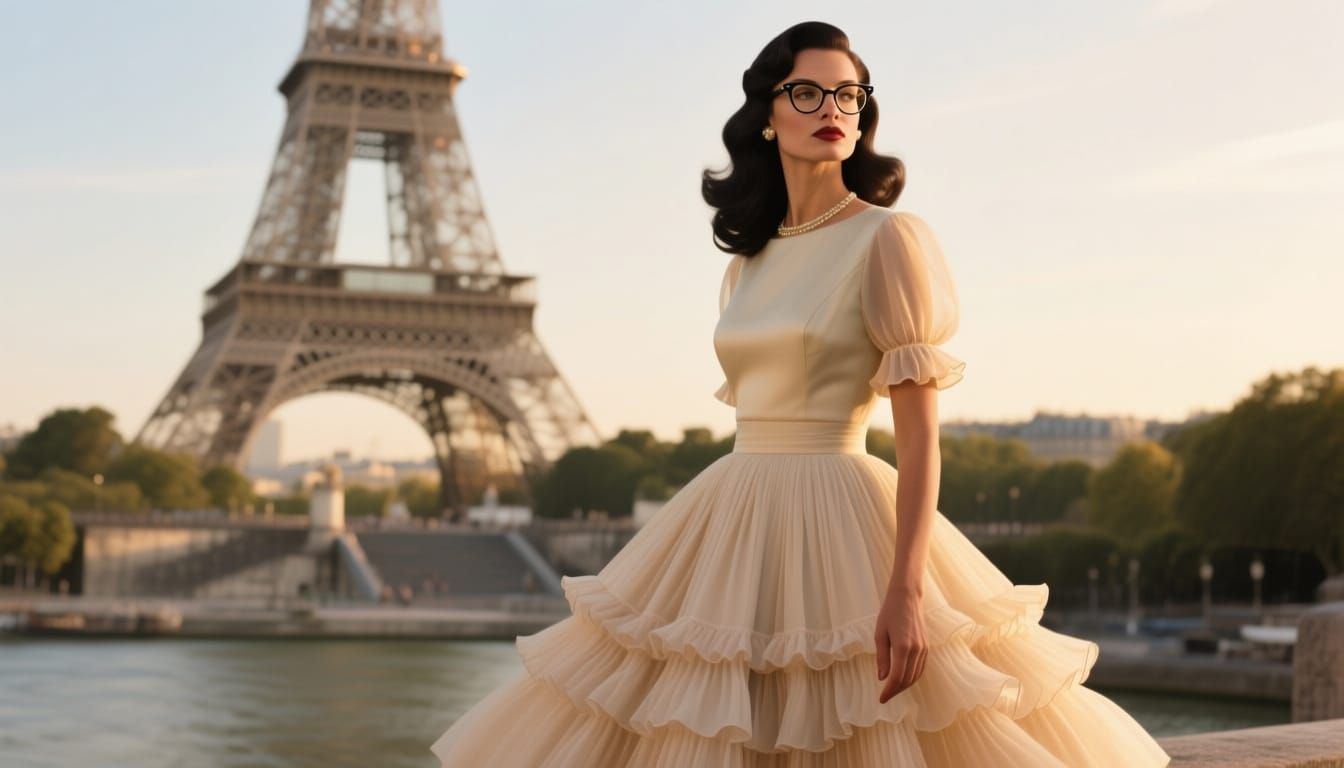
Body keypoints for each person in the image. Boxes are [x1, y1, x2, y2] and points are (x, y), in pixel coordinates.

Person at [430, 20, 1172, 767]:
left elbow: (920, 439)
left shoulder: (888, 238)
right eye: (809, 92)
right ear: (768, 112)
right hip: (732, 517)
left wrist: (907, 591)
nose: (833, 109)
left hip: (842, 517)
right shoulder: (746, 263)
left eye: (849, 94)